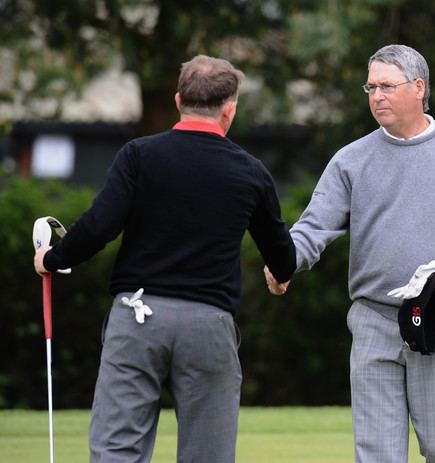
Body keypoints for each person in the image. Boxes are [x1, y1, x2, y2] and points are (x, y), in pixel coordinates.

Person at [34, 55, 296, 463]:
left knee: (117, 450)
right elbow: (281, 252)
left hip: (137, 317)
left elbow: (100, 225)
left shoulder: (139, 155)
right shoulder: (251, 172)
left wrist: (53, 258)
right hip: (209, 325)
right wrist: (280, 277)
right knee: (207, 455)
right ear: (230, 109)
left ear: (178, 100)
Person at [265, 44, 435, 462]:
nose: (376, 96)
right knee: (376, 454)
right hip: (373, 321)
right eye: (370, 87)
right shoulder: (351, 159)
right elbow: (313, 226)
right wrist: (285, 261)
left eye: (386, 86)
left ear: (418, 88)